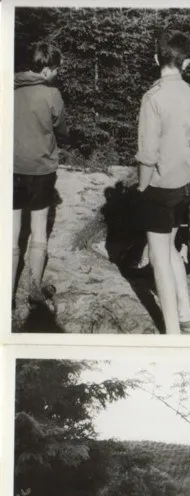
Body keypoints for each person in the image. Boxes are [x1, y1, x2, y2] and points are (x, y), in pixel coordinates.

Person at [135, 29, 190, 334]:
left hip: (160, 187)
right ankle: (187, 314)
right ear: (186, 63)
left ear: (155, 59)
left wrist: (141, 188)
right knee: (172, 247)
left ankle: (172, 331)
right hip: (185, 186)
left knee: (159, 255)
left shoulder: (153, 97)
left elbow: (148, 154)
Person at [12, 42, 68, 309]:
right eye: (55, 70)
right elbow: (62, 129)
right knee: (38, 230)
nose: (57, 74)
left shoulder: (9, 88)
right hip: (41, 170)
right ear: (45, 70)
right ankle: (34, 289)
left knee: (11, 235)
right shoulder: (51, 94)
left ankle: (6, 295)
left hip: (11, 168)